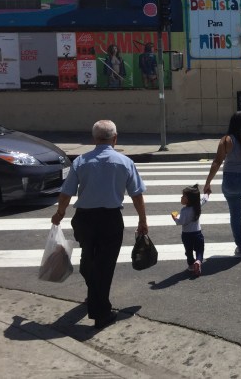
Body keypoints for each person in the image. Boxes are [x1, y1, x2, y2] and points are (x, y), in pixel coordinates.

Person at [51, 120, 147, 330]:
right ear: (115, 138)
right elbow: (137, 194)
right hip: (110, 220)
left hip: (84, 219)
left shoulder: (81, 162)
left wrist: (59, 213)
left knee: (89, 260)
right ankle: (101, 313)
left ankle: (93, 294)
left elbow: (66, 192)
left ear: (94, 139)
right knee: (104, 266)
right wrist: (142, 220)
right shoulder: (125, 162)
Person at [203, 112, 241, 257]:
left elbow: (217, 162)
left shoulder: (226, 140)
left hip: (231, 181)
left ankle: (240, 245)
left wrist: (208, 183)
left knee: (235, 214)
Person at [171, 184, 204, 276]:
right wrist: (207, 194)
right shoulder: (197, 206)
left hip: (186, 235)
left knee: (188, 251)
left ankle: (191, 265)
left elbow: (180, 222)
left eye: (183, 196)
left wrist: (174, 217)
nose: (181, 197)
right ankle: (198, 261)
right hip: (198, 233)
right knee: (199, 250)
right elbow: (204, 200)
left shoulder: (184, 211)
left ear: (189, 199)